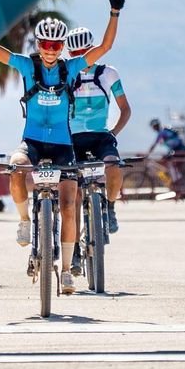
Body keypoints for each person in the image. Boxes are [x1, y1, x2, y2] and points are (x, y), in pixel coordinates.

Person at [0, 0, 124, 295]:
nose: (51, 50)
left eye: (56, 45)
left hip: (64, 146)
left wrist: (114, 12)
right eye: (46, 45)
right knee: (15, 169)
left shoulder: (71, 68)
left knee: (69, 206)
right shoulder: (28, 67)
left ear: (62, 47)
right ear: (38, 46)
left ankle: (66, 270)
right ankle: (26, 221)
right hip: (33, 143)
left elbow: (105, 46)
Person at [65, 26, 131, 265]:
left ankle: (110, 208)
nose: (80, 57)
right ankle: (72, 249)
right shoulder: (65, 74)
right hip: (72, 138)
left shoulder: (108, 73)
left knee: (114, 165)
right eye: (74, 53)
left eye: (85, 51)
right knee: (72, 194)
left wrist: (113, 133)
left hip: (101, 135)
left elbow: (125, 109)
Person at [145, 118, 184, 190]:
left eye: (153, 127)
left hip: (177, 150)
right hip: (176, 150)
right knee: (165, 163)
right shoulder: (163, 131)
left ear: (155, 126)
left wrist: (147, 155)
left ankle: (175, 180)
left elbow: (153, 145)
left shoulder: (161, 133)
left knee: (169, 164)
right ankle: (173, 179)